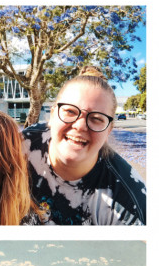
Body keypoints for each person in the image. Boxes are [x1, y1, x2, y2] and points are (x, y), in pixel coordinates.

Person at [22, 66, 146, 225]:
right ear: (52, 115)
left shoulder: (128, 203)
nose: (80, 126)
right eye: (70, 111)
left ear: (109, 130)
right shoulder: (21, 145)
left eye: (96, 118)